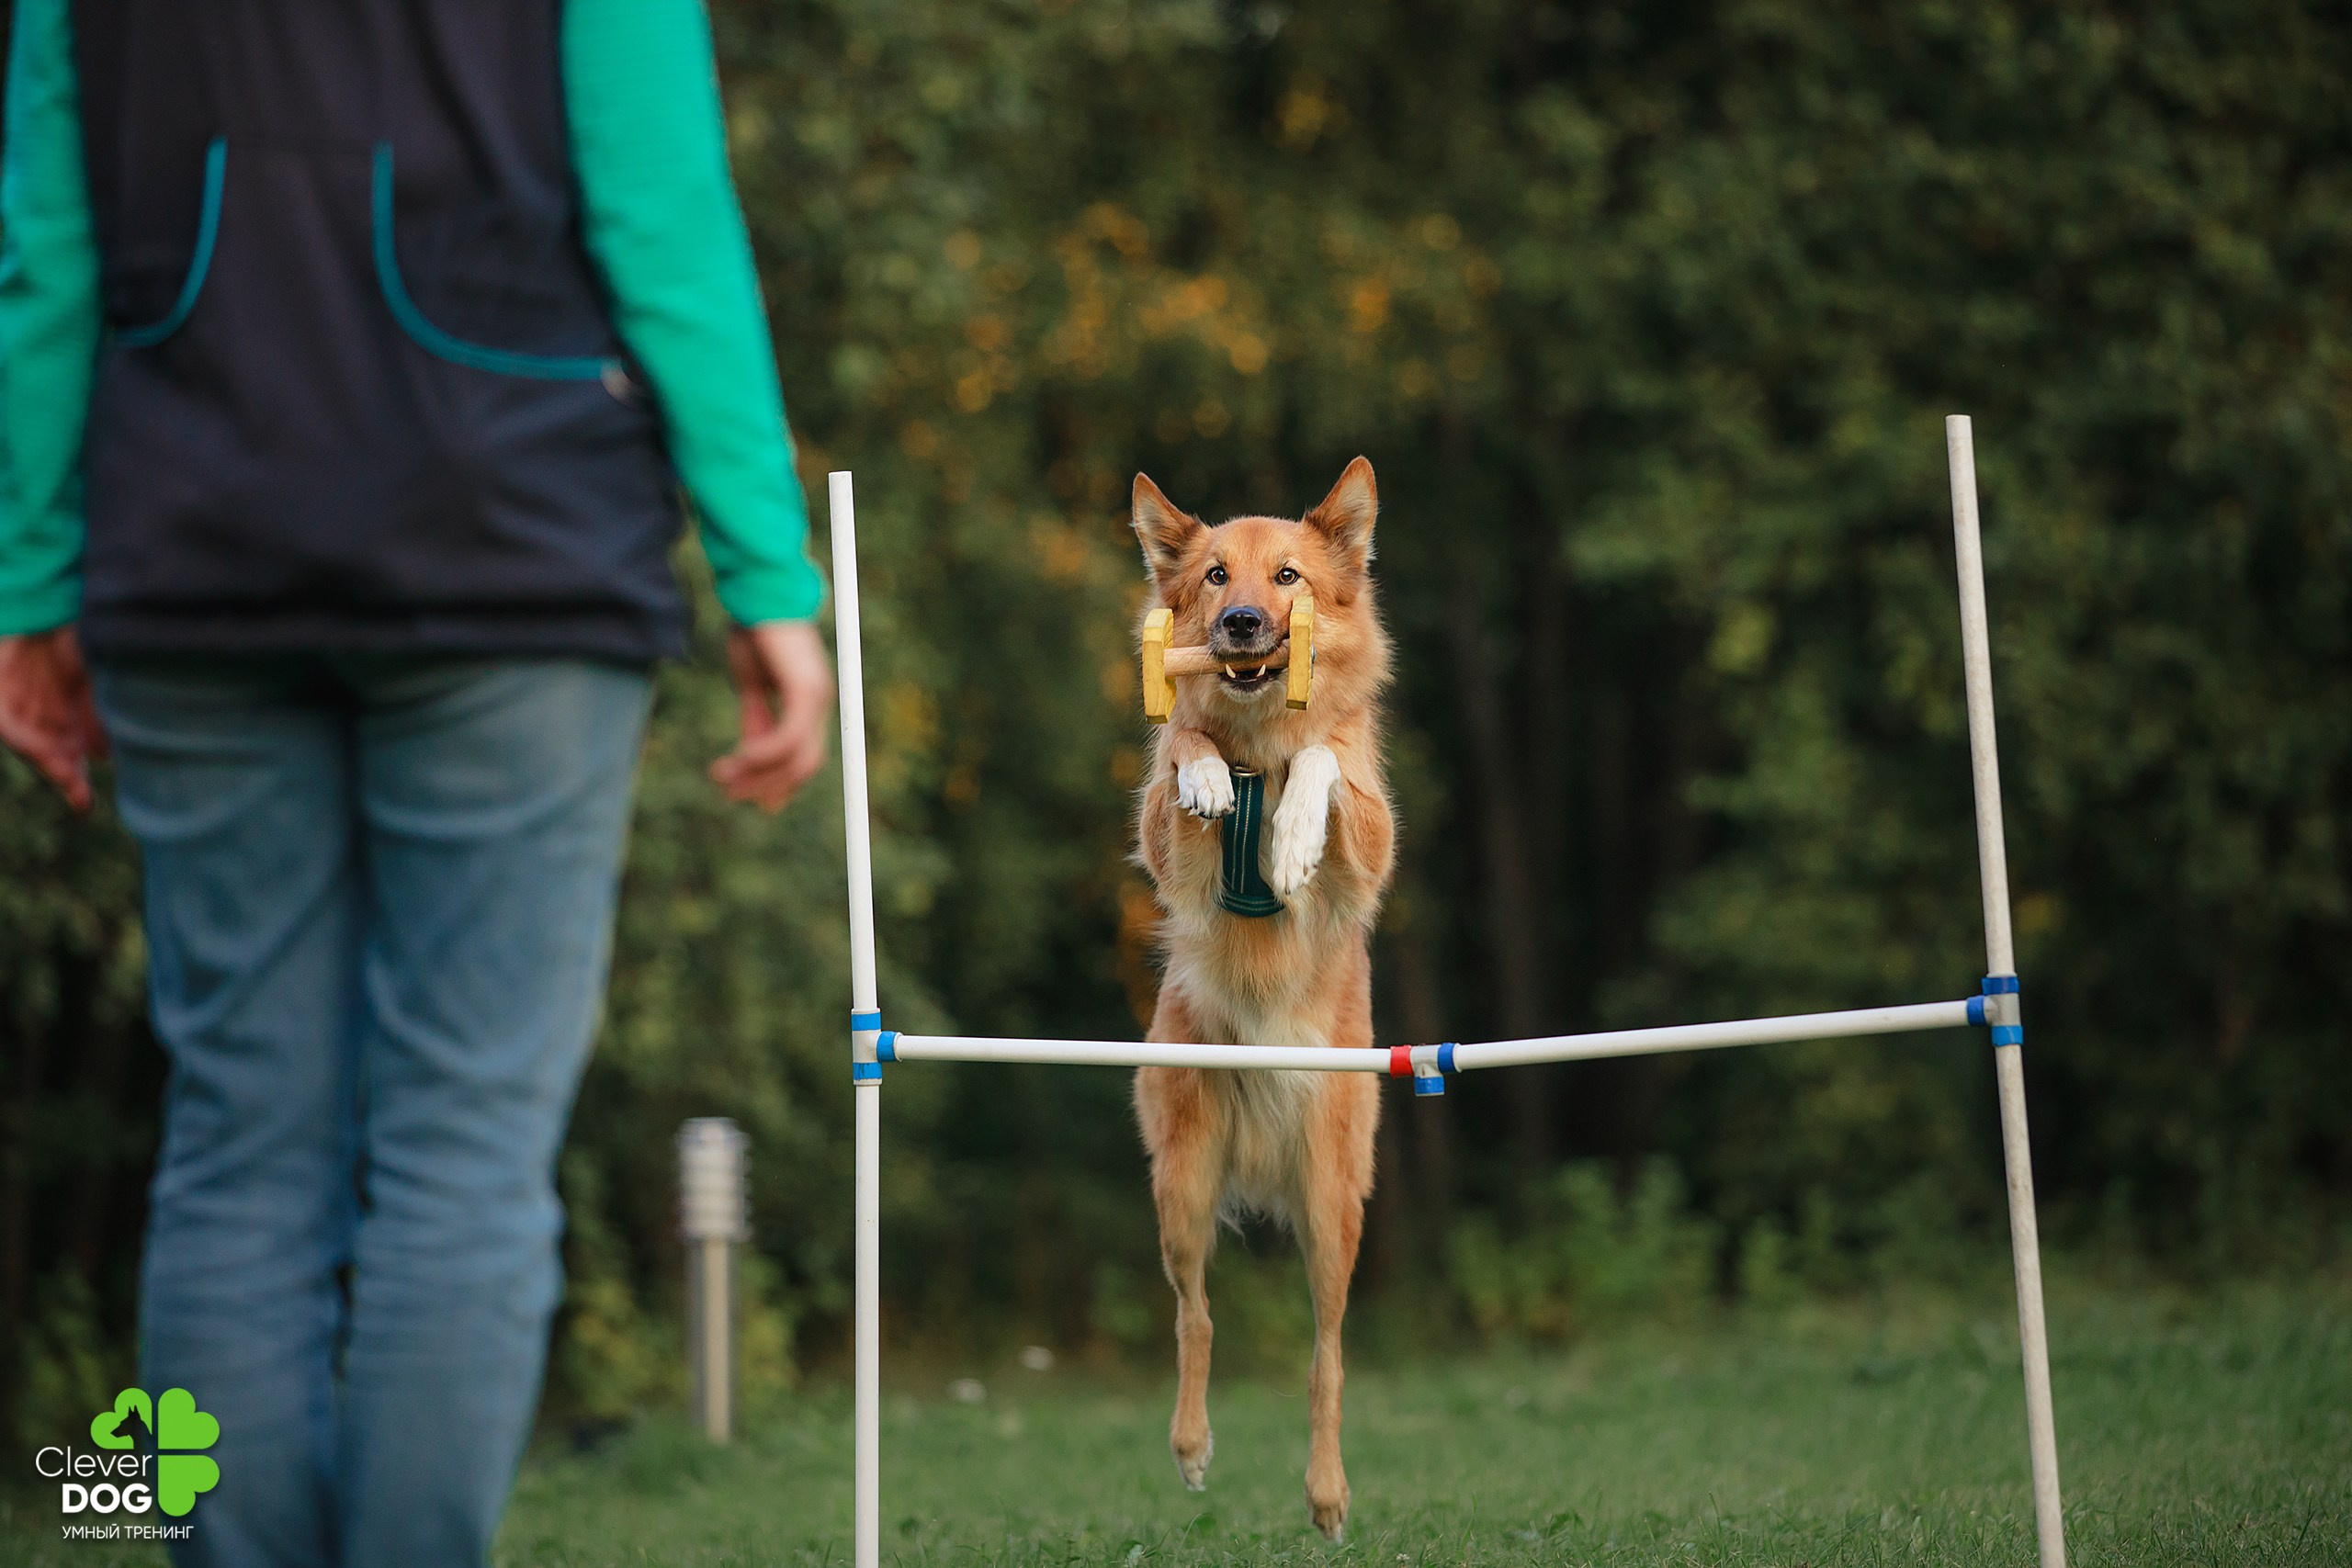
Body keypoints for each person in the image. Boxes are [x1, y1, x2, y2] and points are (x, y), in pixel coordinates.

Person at [0, 2, 834, 1563]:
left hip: (191, 547)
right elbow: (662, 213)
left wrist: (28, 583)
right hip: (510, 545)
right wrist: (764, 574)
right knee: (466, 1146)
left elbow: (43, 237)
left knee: (239, 1144)